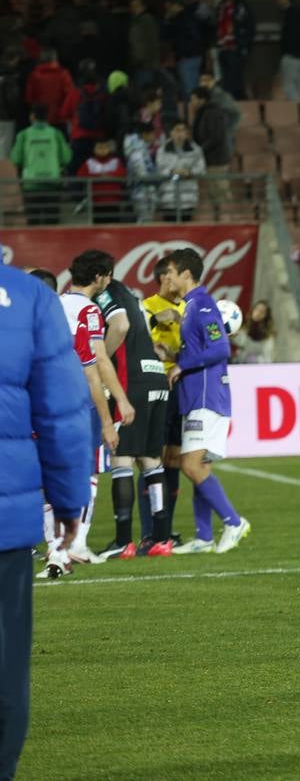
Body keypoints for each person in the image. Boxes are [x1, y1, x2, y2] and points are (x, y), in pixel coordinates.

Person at [0, 261, 91, 781]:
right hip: (6, 520)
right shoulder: (28, 296)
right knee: (5, 672)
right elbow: (61, 408)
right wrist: (68, 502)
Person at [163, 248, 250, 553]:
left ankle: (234, 521)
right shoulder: (191, 307)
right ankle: (203, 537)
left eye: (170, 273)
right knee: (198, 465)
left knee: (191, 465)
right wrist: (174, 357)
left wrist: (182, 366)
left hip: (206, 396)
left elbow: (220, 348)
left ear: (186, 274)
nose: (166, 278)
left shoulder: (202, 306)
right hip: (195, 396)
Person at [59, 251, 134, 565]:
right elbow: (98, 362)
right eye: (108, 275)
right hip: (80, 401)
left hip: (48, 399)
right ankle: (77, 544)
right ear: (100, 277)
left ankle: (55, 543)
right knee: (88, 472)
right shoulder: (89, 311)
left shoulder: (53, 303)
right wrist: (119, 403)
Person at [92, 266, 171, 558]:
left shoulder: (106, 295)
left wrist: (102, 358)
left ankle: (123, 541)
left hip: (133, 381)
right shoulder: (133, 297)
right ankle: (161, 540)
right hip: (157, 378)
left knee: (122, 458)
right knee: (151, 460)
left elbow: (121, 326)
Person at [142, 257, 187, 551]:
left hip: (184, 383)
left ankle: (166, 531)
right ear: (163, 277)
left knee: (174, 459)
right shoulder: (146, 307)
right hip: (157, 384)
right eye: (173, 272)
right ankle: (150, 531)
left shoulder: (188, 308)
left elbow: (194, 346)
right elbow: (139, 344)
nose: (178, 278)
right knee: (152, 458)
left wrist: (176, 350)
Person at [10, 104, 72, 225]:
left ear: (32, 116)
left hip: (31, 185)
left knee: (33, 225)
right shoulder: (56, 134)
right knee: (52, 224)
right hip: (52, 184)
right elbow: (67, 158)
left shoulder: (23, 135)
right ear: (46, 117)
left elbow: (16, 159)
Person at [155, 119, 205, 221]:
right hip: (168, 198)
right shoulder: (162, 150)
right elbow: (159, 170)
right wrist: (172, 171)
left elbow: (201, 169)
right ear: (171, 133)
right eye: (177, 130)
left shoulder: (195, 150)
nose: (180, 134)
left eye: (183, 130)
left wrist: (190, 172)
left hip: (188, 197)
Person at [190, 86, 231, 209]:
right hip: (210, 159)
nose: (191, 103)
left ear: (202, 100)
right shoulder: (204, 113)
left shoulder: (213, 113)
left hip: (216, 160)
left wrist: (200, 150)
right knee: (214, 192)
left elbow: (216, 137)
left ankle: (228, 219)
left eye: (193, 99)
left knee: (220, 190)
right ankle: (220, 219)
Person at [213, 0, 254, 99]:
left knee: (233, 77)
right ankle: (239, 99)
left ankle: (233, 100)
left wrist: (244, 45)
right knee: (226, 77)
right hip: (222, 47)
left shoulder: (241, 6)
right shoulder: (220, 6)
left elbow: (250, 27)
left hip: (235, 47)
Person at [162, 0, 205, 104]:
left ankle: (193, 113)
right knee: (191, 87)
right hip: (191, 55)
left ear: (175, 5)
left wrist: (167, 21)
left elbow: (168, 35)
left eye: (169, 7)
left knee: (189, 88)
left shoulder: (182, 19)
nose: (168, 10)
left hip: (188, 55)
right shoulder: (186, 17)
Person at [75, 137, 126, 224]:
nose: (102, 150)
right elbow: (80, 176)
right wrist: (104, 177)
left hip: (114, 202)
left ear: (109, 149)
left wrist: (99, 178)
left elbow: (122, 174)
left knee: (115, 228)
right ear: (94, 149)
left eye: (105, 147)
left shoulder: (116, 161)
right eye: (99, 147)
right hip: (96, 202)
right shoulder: (89, 163)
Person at [23, 49, 75, 127]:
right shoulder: (63, 74)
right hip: (60, 116)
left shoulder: (34, 75)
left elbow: (29, 97)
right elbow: (70, 95)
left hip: (40, 116)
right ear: (55, 59)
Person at [233, 301, 275, 365]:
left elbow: (267, 359)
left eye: (262, 312)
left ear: (266, 316)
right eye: (257, 309)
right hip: (239, 362)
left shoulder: (268, 336)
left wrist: (253, 359)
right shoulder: (247, 325)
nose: (258, 313)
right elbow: (238, 340)